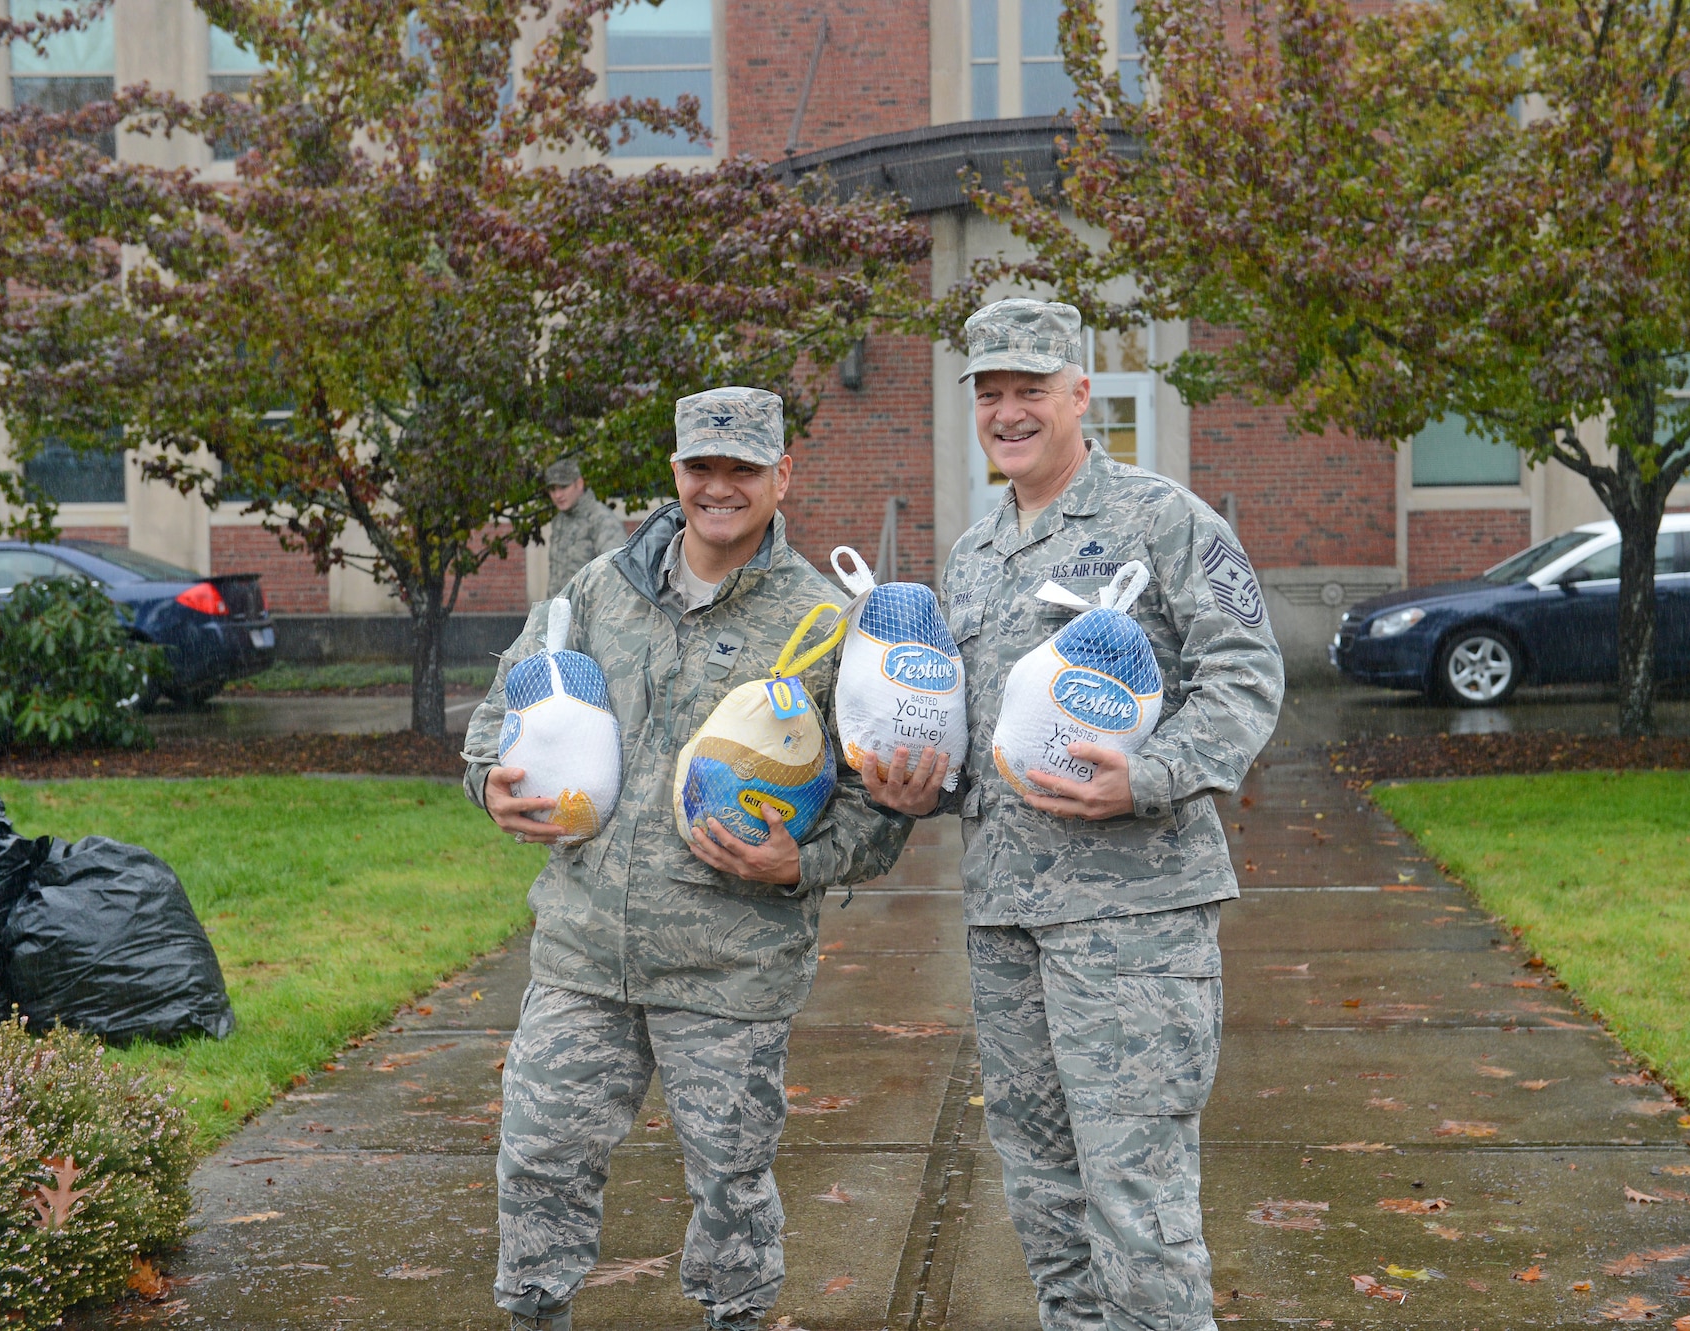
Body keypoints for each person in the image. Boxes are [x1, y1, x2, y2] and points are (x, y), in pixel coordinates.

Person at [862, 299, 1284, 1331]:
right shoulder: (967, 557)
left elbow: (1244, 675)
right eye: (990, 393)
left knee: (1137, 1213)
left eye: (1029, 390)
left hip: (1130, 922)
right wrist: (919, 783)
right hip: (1005, 918)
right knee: (1046, 1206)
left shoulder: (1162, 519)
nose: (1008, 411)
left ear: (1078, 393)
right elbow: (974, 742)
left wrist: (1143, 776)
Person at [464, 388, 911, 1331]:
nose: (720, 487)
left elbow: (882, 806)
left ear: (782, 475)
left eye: (743, 469)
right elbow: (503, 714)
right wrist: (492, 782)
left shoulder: (830, 625)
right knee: (539, 1155)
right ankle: (535, 1316)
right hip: (586, 950)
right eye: (701, 467)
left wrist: (800, 862)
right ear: (675, 472)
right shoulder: (597, 592)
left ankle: (735, 1319)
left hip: (729, 964)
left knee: (731, 1180)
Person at [543, 457, 623, 591]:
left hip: (590, 609)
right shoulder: (559, 521)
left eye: (563, 487)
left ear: (579, 484)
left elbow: (616, 572)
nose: (557, 495)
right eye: (552, 489)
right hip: (561, 609)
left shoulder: (600, 518)